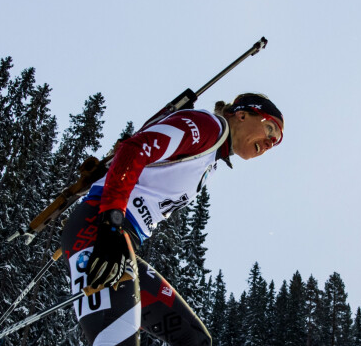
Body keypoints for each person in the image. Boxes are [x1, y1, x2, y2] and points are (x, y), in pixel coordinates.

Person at [61, 93, 284, 345]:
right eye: (269, 129)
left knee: (194, 340)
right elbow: (134, 148)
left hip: (123, 241)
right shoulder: (208, 127)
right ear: (242, 114)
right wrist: (110, 225)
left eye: (275, 142)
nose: (269, 143)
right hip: (101, 228)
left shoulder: (210, 153)